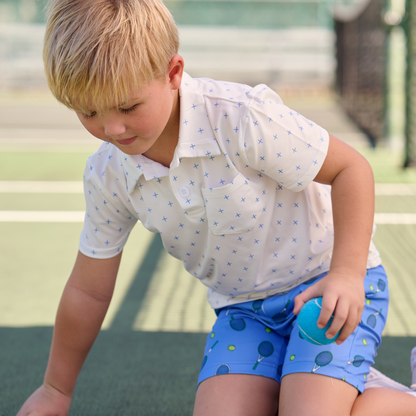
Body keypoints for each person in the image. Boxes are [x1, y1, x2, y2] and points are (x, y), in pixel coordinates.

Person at [16, 0, 416, 415]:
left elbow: (352, 169)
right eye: (89, 112)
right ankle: (338, 385)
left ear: (173, 73)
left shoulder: (241, 118)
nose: (111, 129)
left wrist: (346, 276)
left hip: (327, 288)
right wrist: (55, 390)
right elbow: (88, 288)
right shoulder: (108, 173)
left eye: (129, 107)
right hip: (244, 310)